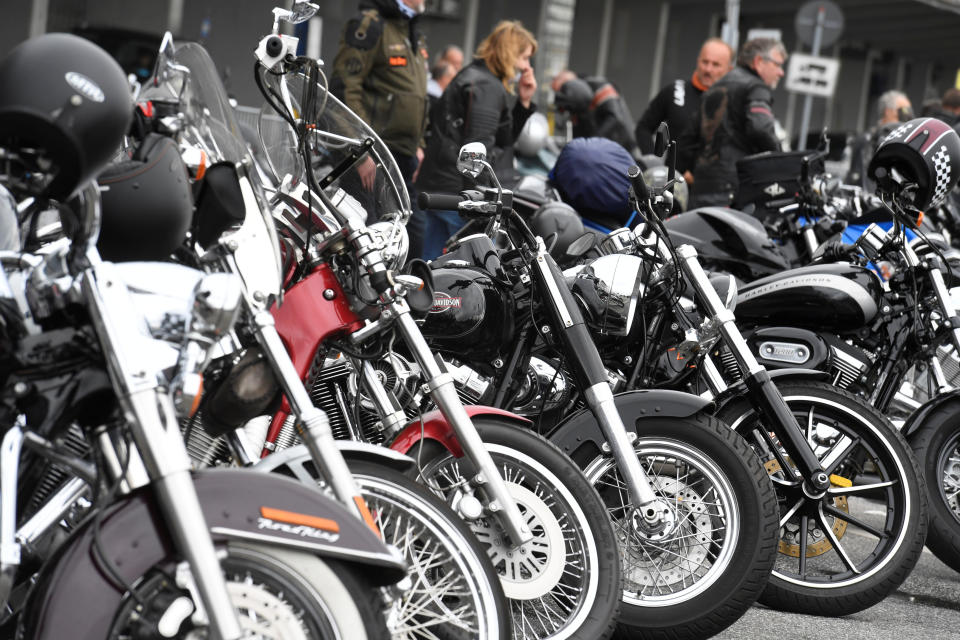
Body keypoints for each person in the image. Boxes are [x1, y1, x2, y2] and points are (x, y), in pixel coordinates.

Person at [416, 20, 538, 259]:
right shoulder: (486, 86)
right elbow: (478, 154)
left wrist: (523, 102)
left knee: (433, 267)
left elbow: (503, 139)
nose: (526, 66)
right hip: (461, 194)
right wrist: (482, 204)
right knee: (466, 271)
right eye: (524, 58)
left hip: (443, 187)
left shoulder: (477, 77)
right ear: (509, 53)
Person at [330, 0, 429, 257]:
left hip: (402, 159)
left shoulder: (409, 31)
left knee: (411, 241)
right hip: (374, 158)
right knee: (371, 244)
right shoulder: (371, 26)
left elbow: (416, 96)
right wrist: (361, 150)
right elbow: (344, 90)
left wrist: (419, 145)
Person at [685, 37, 786, 208]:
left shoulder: (715, 87)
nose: (781, 72)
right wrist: (781, 163)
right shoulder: (756, 88)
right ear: (759, 61)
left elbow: (688, 139)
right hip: (734, 187)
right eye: (777, 65)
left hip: (701, 186)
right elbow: (761, 128)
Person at [636, 37, 734, 176]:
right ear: (697, 60)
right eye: (704, 62)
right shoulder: (675, 91)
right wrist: (654, 165)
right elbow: (643, 128)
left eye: (716, 65)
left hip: (714, 186)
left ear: (729, 69)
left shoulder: (734, 102)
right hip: (672, 185)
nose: (708, 69)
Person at [552, 71, 639, 156]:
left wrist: (591, 142)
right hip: (602, 149)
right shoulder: (574, 99)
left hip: (625, 146)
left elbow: (614, 117)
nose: (560, 91)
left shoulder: (601, 88)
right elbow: (577, 132)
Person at [846, 90, 914, 188]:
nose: (908, 114)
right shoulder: (867, 139)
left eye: (909, 110)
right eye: (904, 110)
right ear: (888, 112)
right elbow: (861, 178)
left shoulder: (907, 141)